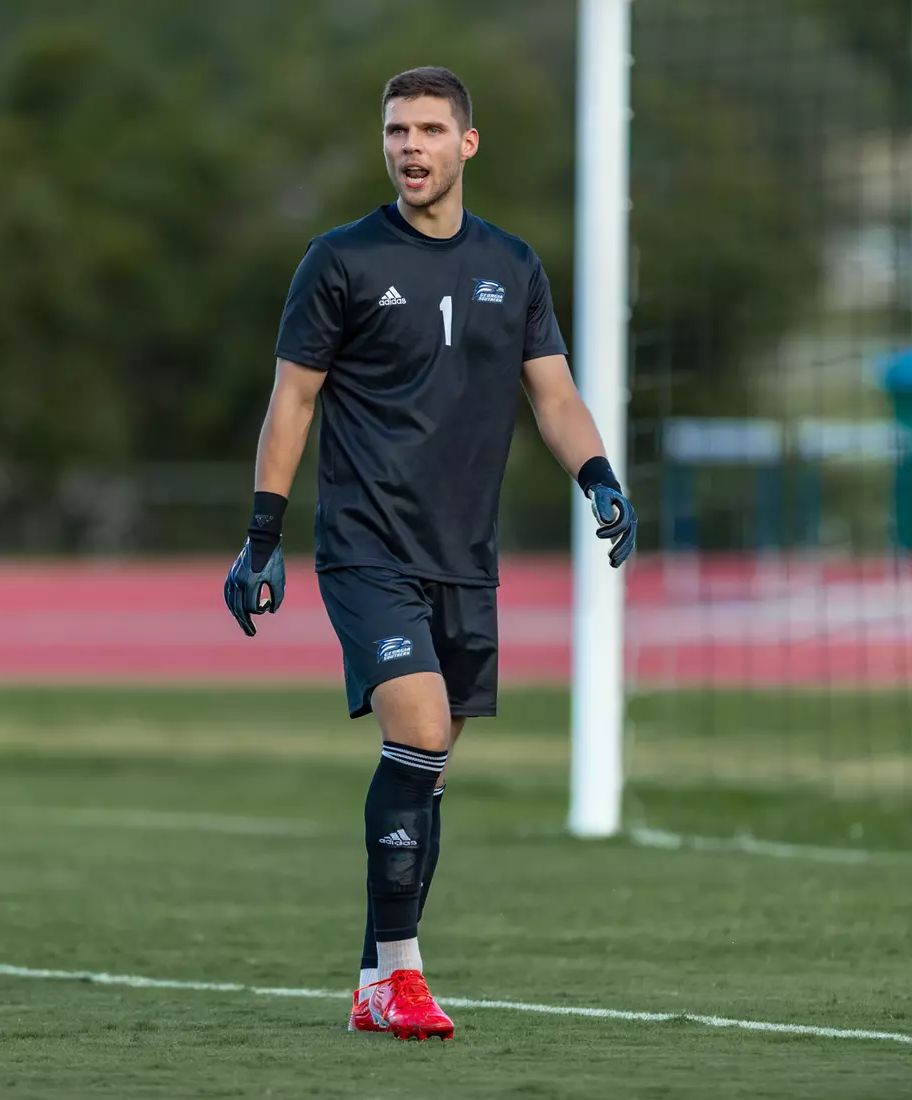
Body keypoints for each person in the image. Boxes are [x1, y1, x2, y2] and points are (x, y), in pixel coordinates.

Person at [222, 66, 636, 1042]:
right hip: (368, 547)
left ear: (467, 144)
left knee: (430, 757)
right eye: (397, 131)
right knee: (420, 726)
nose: (409, 147)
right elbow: (294, 398)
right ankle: (402, 976)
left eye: (428, 130)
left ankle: (373, 974)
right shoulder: (340, 260)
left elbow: (554, 394)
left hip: (465, 553)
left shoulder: (514, 265)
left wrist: (599, 476)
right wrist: (260, 534)